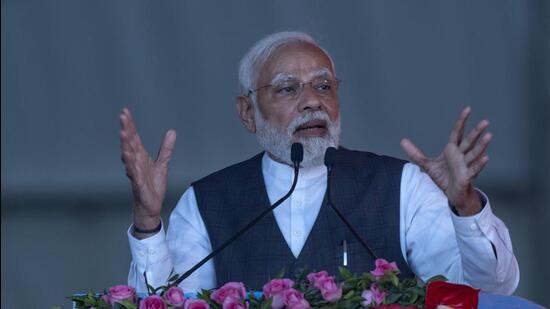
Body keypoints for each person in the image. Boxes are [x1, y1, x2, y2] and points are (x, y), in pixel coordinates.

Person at [120, 32, 519, 295]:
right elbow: (169, 303)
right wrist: (147, 224)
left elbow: (486, 291)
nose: (313, 101)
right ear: (247, 113)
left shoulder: (401, 186)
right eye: (288, 89)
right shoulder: (206, 202)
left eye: (323, 86)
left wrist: (465, 207)